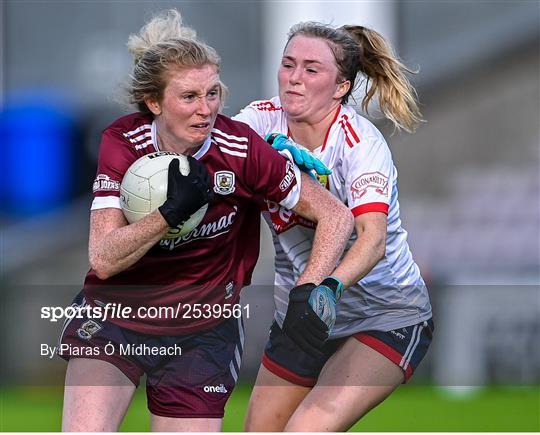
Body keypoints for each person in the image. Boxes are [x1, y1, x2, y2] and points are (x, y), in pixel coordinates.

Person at [57, 11, 354, 432]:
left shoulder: (241, 151)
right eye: (189, 97)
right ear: (154, 103)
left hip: (202, 331)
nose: (205, 110)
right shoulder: (124, 143)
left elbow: (336, 215)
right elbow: (104, 258)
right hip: (114, 318)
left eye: (212, 93)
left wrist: (313, 287)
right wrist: (167, 215)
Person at [233, 21, 434, 431]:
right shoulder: (259, 122)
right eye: (288, 65)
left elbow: (373, 239)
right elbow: (213, 154)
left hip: (385, 315)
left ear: (341, 87)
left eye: (311, 69)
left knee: (305, 430)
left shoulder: (360, 144)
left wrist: (327, 290)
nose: (294, 78)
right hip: (299, 312)